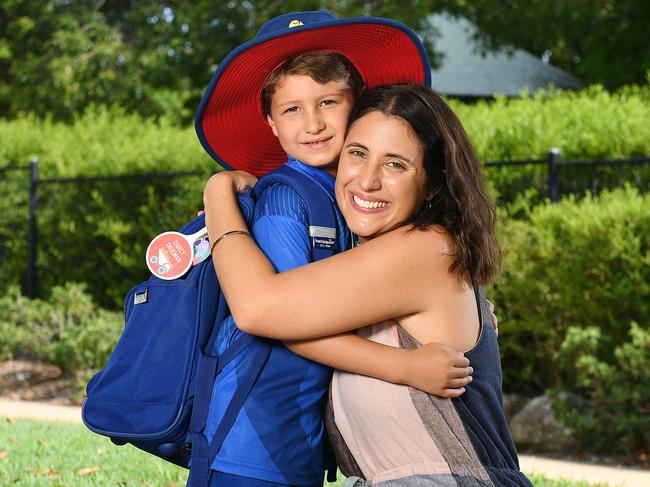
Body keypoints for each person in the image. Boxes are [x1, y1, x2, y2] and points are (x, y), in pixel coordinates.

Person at [194, 11, 481, 487]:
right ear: (270, 122)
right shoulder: (286, 197)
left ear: (357, 105)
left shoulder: (352, 203)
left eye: (328, 102)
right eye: (292, 110)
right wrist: (404, 365)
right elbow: (279, 317)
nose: (313, 124)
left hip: (300, 431)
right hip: (256, 423)